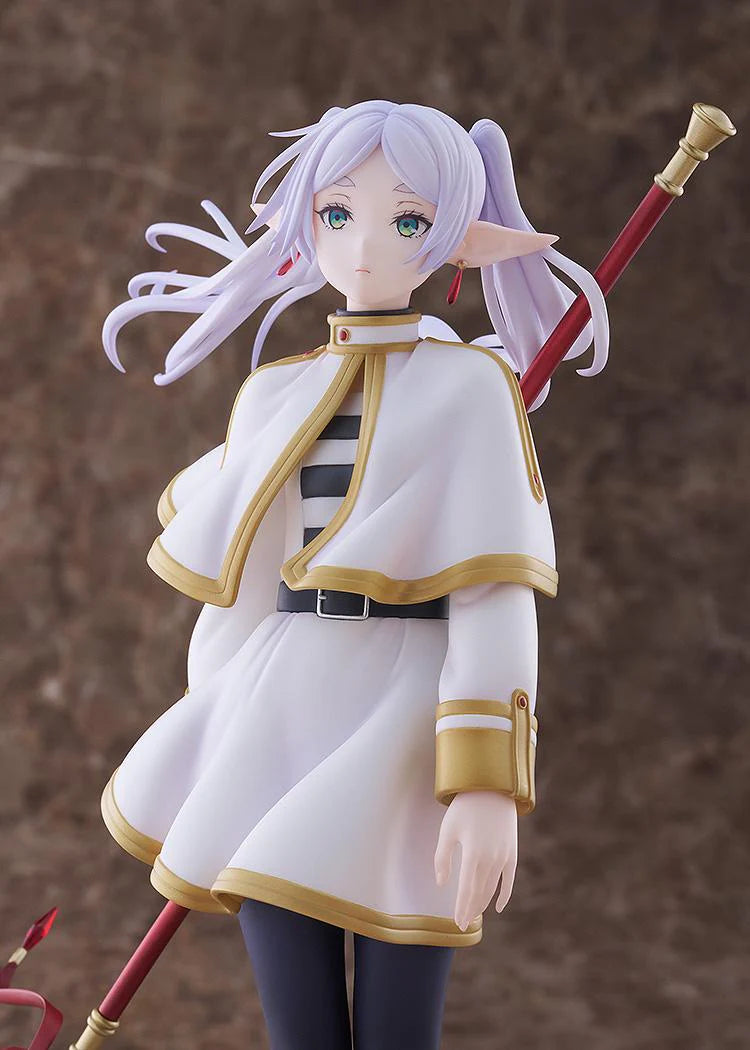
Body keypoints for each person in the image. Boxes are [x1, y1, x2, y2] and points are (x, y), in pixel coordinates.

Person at [100, 100, 609, 1050]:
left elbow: (493, 595)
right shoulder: (274, 394)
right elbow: (242, 589)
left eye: (409, 220)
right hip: (277, 721)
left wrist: (488, 783)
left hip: (407, 727)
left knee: (396, 1025)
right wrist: (216, 723)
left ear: (457, 239)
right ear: (306, 223)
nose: (367, 245)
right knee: (298, 1023)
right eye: (338, 213)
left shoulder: (470, 390)